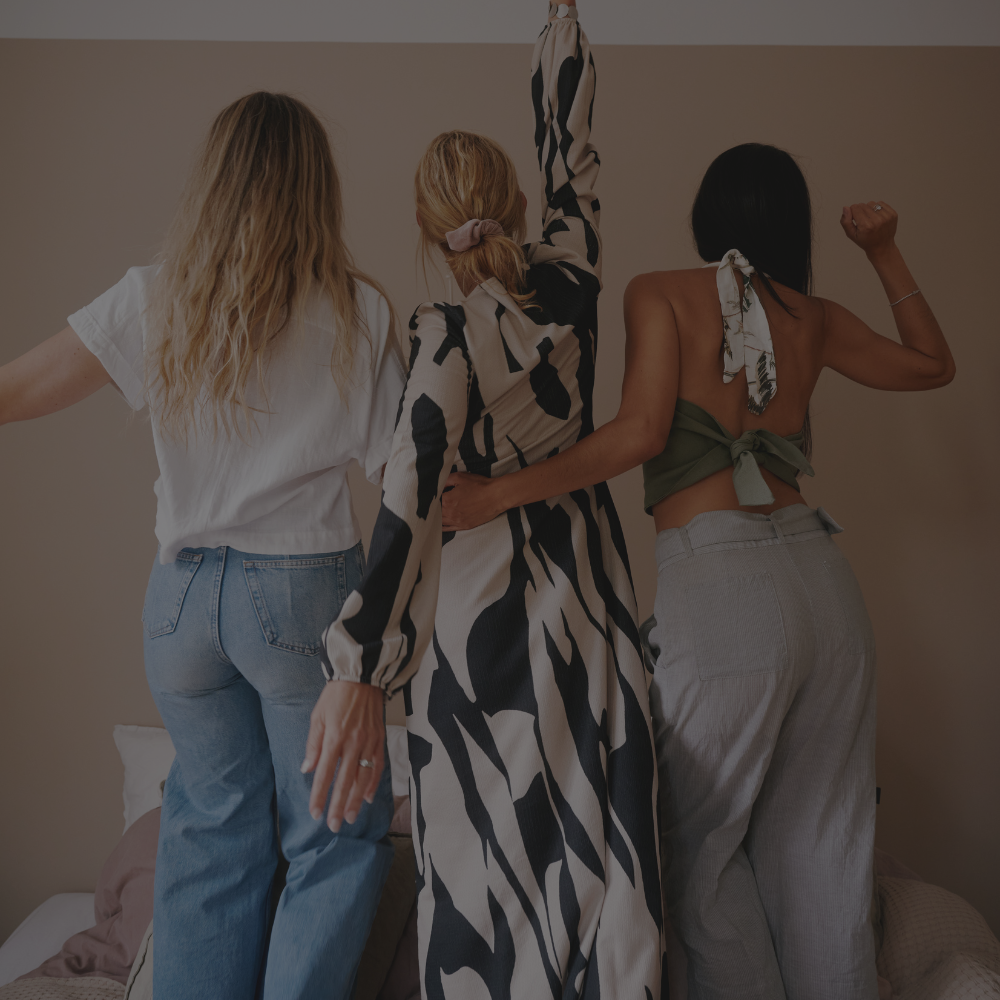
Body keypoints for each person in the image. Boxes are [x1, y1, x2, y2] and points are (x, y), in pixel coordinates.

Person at [439, 142, 955, 999]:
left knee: (694, 847)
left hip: (724, 592)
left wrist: (496, 494)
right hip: (825, 584)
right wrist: (883, 250)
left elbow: (641, 432)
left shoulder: (662, 293)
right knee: (825, 845)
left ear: (706, 216)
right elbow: (933, 366)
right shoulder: (816, 317)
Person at [0, 92, 406, 999]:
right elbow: (404, 489)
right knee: (333, 835)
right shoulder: (359, 312)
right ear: (317, 188)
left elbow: (15, 390)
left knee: (212, 829)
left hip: (180, 606)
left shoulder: (157, 296)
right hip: (301, 601)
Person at [302, 3, 665, 997]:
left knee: (483, 858)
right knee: (590, 848)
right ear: (514, 201)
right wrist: (560, 29)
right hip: (585, 602)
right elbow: (572, 153)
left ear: (427, 227)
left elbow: (413, 488)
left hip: (481, 618)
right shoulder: (576, 281)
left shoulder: (444, 331)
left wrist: (357, 656)